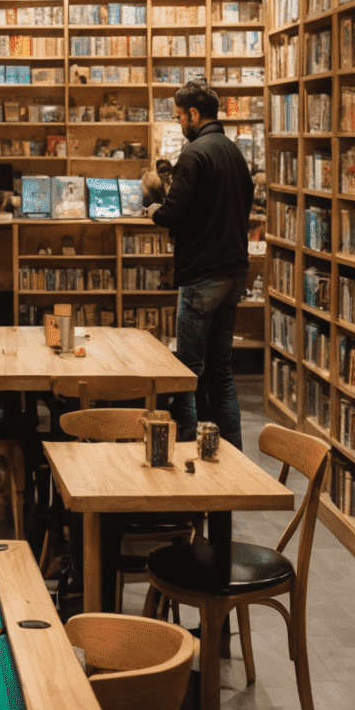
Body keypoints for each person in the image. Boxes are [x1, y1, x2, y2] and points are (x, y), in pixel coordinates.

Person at [143, 80, 254, 449]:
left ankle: (188, 450)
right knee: (221, 371)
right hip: (235, 271)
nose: (179, 124)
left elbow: (175, 214)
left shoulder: (194, 154)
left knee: (186, 372)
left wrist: (155, 209)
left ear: (193, 114)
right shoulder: (234, 153)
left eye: (179, 117)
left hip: (202, 272)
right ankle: (234, 453)